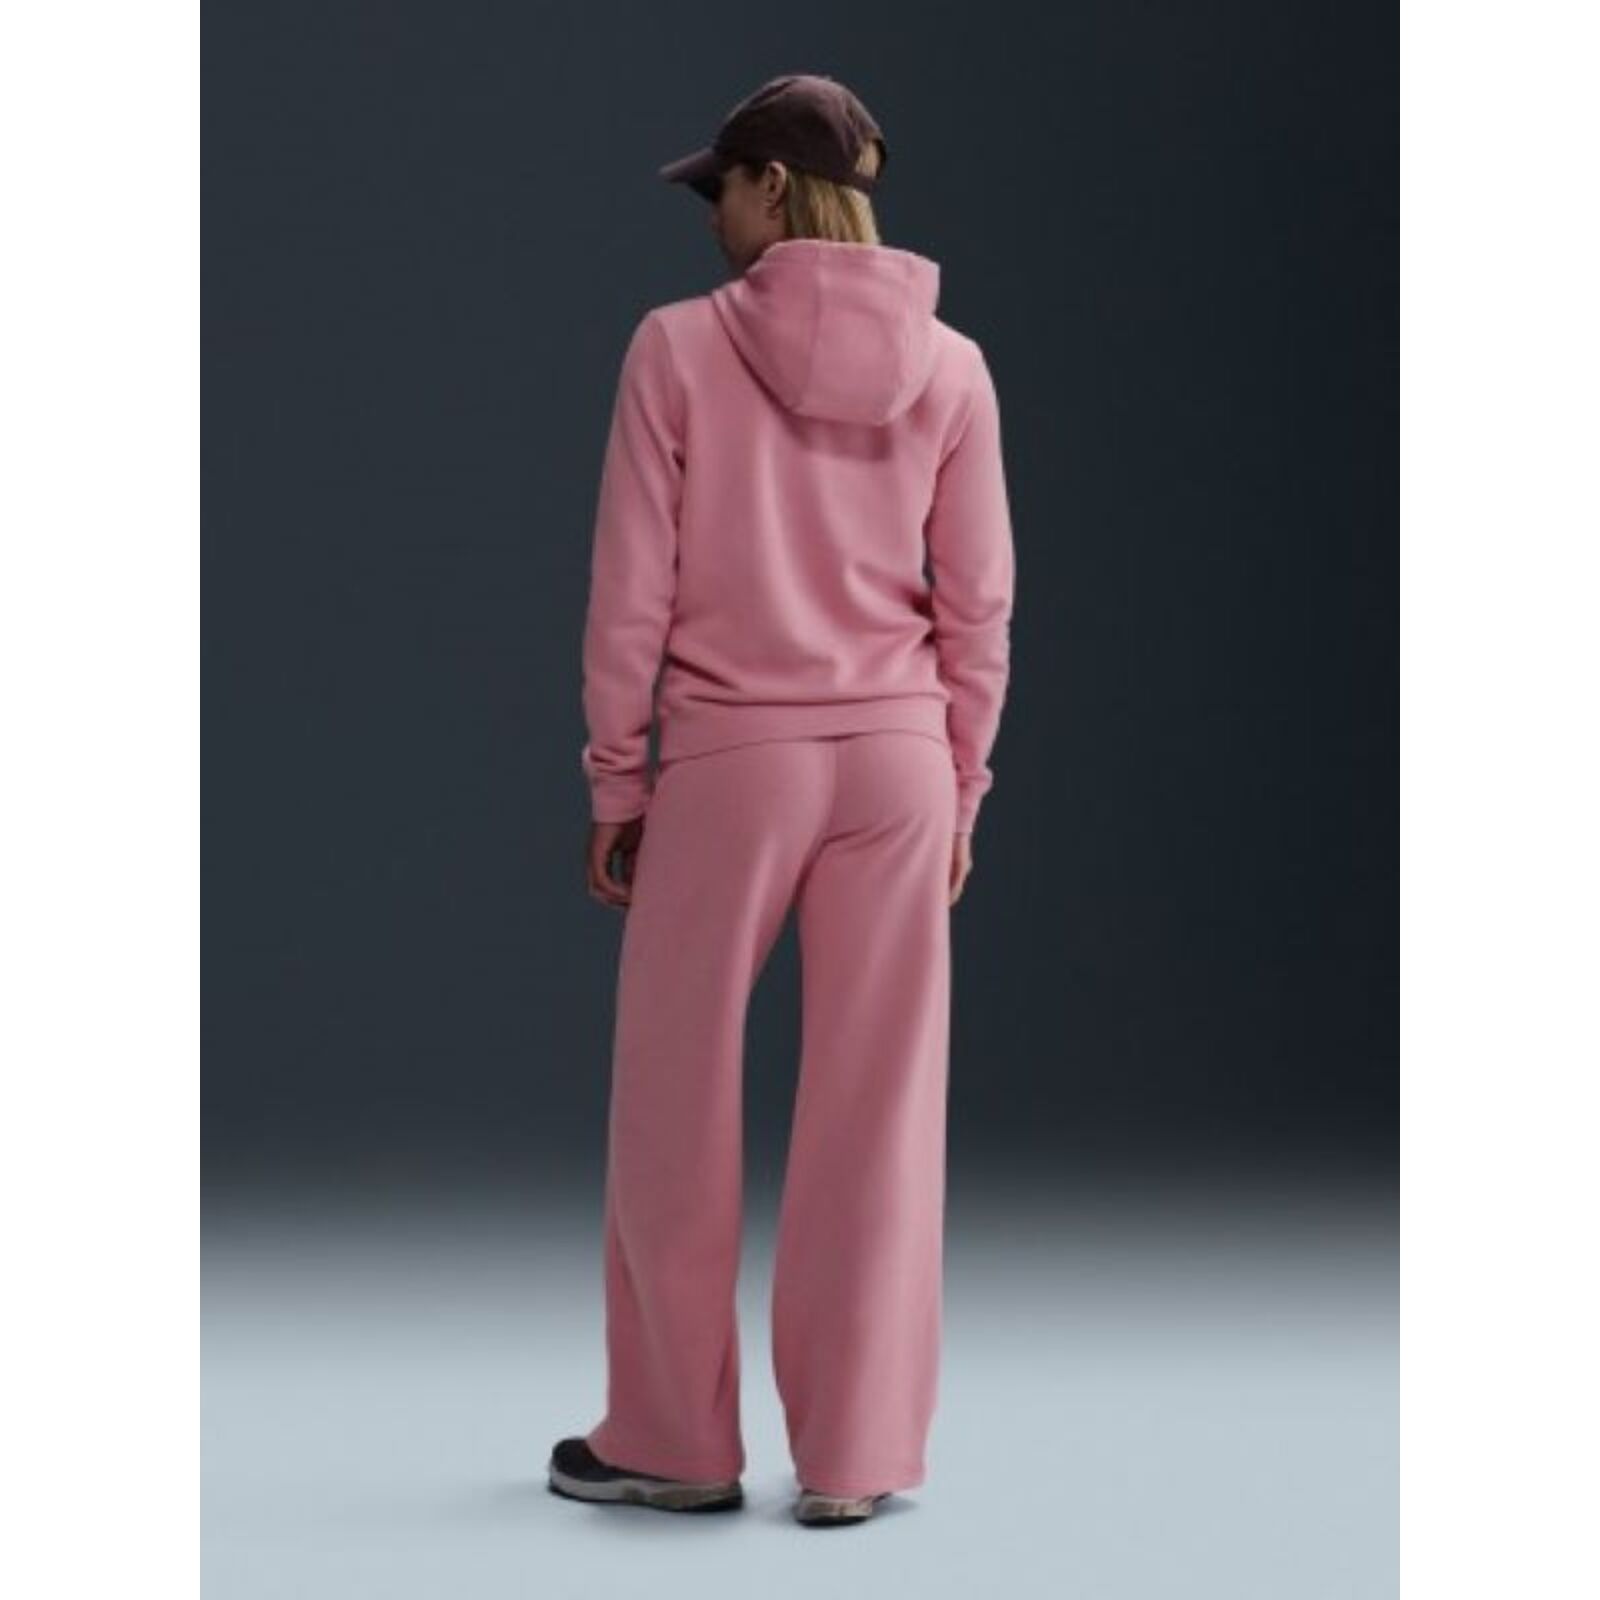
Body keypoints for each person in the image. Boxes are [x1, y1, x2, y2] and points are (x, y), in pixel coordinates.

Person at [546, 72, 1017, 1528]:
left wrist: (618, 776)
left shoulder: (676, 348)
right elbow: (979, 608)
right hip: (896, 762)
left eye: (721, 190)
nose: (711, 216)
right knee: (881, 1112)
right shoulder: (954, 367)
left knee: (674, 1102)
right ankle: (855, 1457)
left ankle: (673, 1441)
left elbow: (632, 590)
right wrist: (961, 792)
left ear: (771, 187)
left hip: (733, 764)